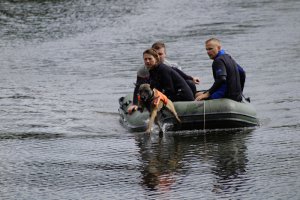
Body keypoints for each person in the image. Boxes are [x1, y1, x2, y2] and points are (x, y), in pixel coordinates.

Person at [128, 42, 200, 114]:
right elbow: (138, 87)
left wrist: (191, 78)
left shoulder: (165, 66)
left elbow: (177, 77)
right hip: (166, 90)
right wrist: (135, 103)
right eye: (145, 59)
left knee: (190, 83)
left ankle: (195, 99)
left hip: (178, 93)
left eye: (160, 54)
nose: (147, 61)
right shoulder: (146, 69)